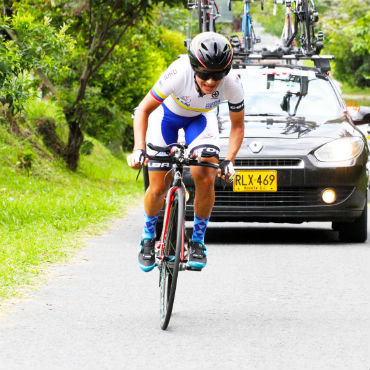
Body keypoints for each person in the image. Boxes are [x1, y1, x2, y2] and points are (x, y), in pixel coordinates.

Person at [127, 32, 245, 272]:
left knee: (205, 176)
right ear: (193, 68)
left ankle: (198, 241)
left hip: (201, 121)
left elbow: (238, 126)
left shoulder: (233, 84)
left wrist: (229, 160)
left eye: (217, 76)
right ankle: (148, 236)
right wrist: (139, 149)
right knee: (158, 187)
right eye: (204, 74)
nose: (211, 82)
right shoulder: (178, 73)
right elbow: (142, 111)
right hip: (166, 119)